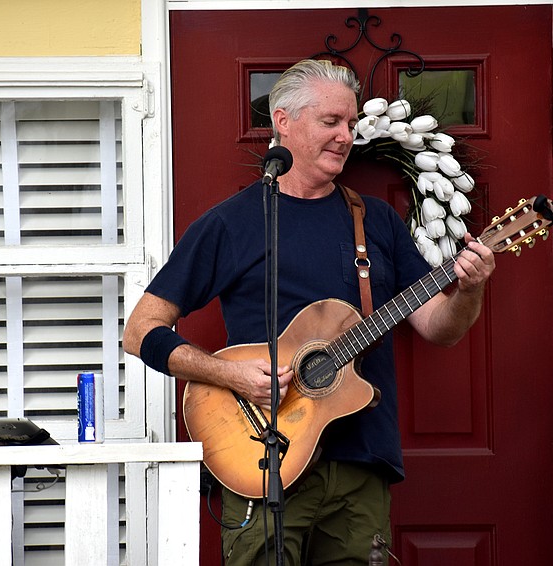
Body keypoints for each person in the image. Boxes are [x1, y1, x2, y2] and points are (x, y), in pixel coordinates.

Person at [122, 59, 495, 565]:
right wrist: (227, 373)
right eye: (330, 122)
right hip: (261, 453)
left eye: (351, 123)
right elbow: (140, 331)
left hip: (362, 461)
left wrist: (469, 290)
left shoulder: (376, 221)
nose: (346, 136)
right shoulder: (230, 224)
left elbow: (437, 327)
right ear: (283, 122)